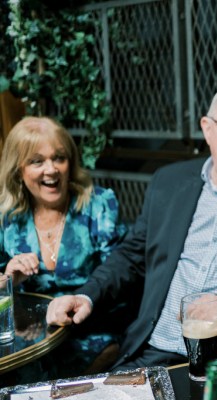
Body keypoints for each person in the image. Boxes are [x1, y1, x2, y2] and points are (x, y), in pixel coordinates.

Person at [46, 83, 217, 370]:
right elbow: (130, 257)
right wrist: (87, 294)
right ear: (207, 129)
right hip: (152, 353)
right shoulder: (169, 182)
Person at [0, 116, 128, 375]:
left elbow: (121, 276)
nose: (51, 169)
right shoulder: (7, 219)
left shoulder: (98, 205)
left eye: (59, 157)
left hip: (92, 336)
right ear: (18, 170)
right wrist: (10, 279)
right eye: (37, 161)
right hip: (29, 346)